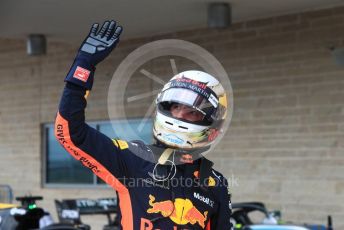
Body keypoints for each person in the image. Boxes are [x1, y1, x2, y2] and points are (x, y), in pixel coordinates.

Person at [55, 20, 233, 230]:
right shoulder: (134, 158)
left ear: (211, 127)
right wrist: (84, 65)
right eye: (175, 106)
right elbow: (71, 133)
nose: (180, 114)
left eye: (192, 112)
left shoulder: (215, 182)